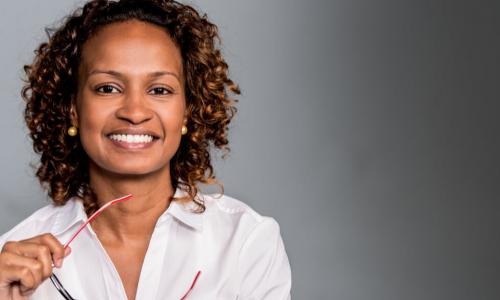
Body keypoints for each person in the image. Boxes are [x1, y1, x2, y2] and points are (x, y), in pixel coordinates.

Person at [0, 0, 292, 299]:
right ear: (73, 109)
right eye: (108, 88)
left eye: (159, 90)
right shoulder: (13, 258)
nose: (135, 112)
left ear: (187, 112)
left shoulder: (246, 243)